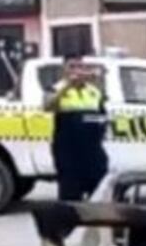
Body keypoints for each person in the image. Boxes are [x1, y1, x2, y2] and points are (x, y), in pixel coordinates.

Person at [44, 55, 109, 201]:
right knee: (70, 193)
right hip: (69, 152)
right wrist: (68, 86)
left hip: (92, 150)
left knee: (99, 192)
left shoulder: (93, 91)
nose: (77, 70)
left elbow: (102, 115)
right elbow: (48, 106)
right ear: (64, 70)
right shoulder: (56, 88)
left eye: (80, 66)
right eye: (72, 66)